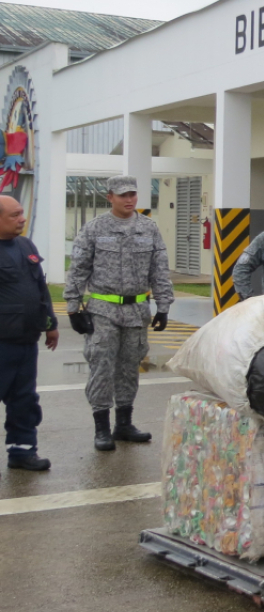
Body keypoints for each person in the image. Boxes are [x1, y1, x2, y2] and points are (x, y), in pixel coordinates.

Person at [64, 175, 174, 452]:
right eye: (123, 195)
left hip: (137, 311)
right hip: (103, 310)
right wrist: (73, 307)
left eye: (133, 194)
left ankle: (123, 423)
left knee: (129, 368)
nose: (129, 200)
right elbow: (78, 269)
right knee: (101, 367)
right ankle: (101, 428)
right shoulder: (94, 229)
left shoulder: (148, 228)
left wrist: (163, 306)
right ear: (109, 196)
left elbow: (159, 269)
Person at [0, 195, 59, 471]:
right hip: (2, 342)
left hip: (26, 341)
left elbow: (40, 290)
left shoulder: (25, 245)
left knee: (25, 399)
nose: (22, 218)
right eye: (15, 215)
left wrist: (51, 324)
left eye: (22, 213)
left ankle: (22, 452)